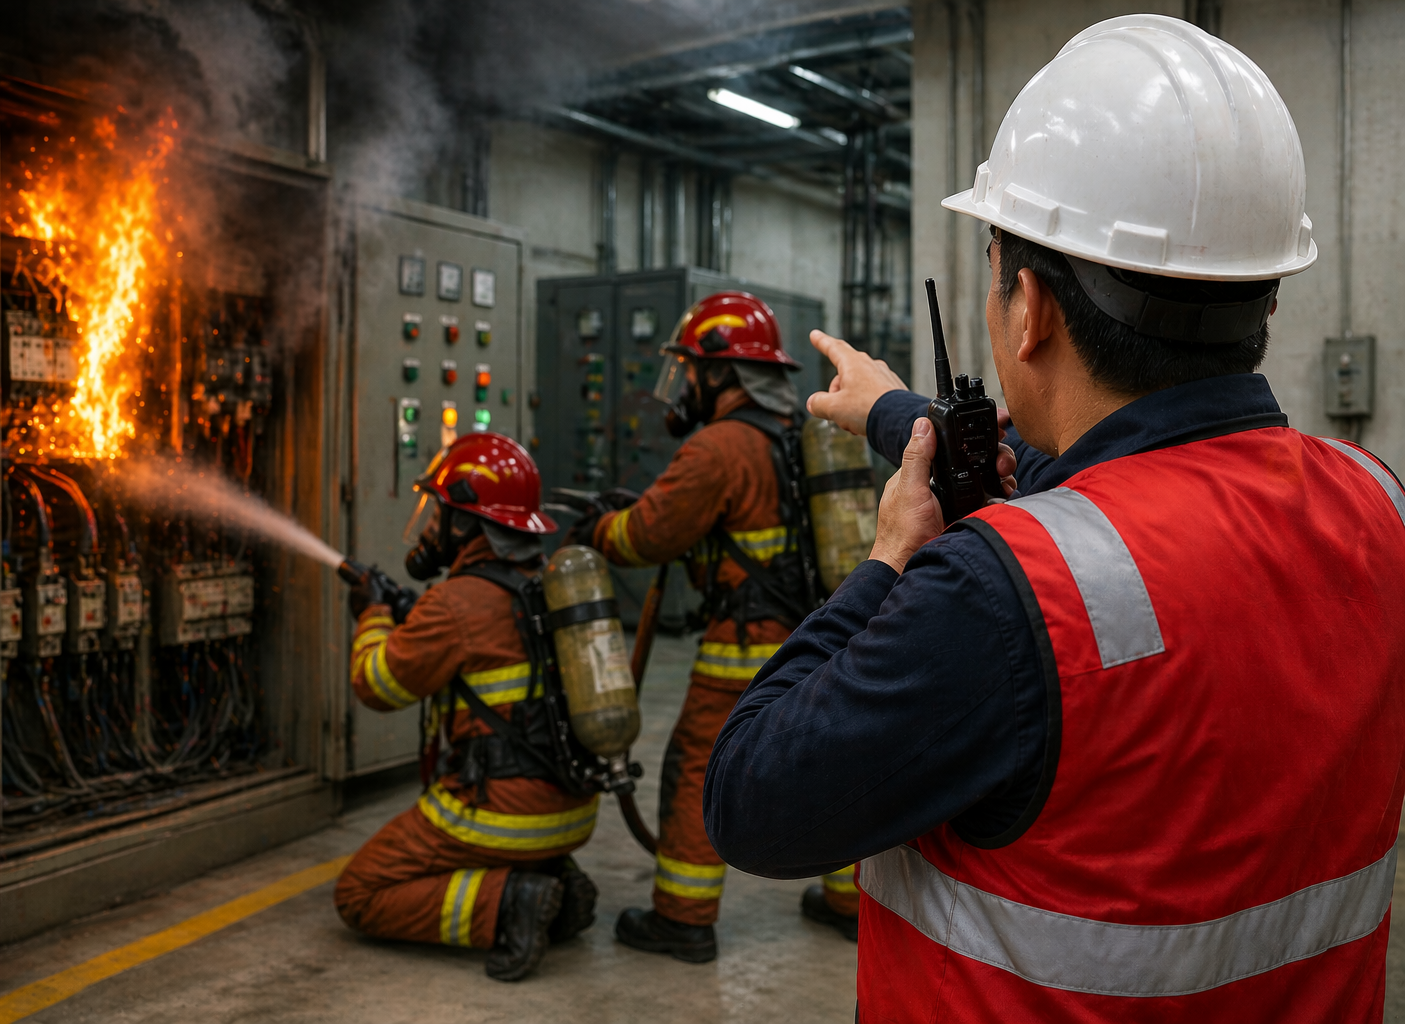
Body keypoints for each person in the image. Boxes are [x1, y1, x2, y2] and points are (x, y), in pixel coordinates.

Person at [704, 15, 1405, 1023]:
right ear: (1262, 300)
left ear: (1027, 308)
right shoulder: (1373, 500)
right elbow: (1092, 469)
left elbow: (750, 800)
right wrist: (900, 414)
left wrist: (893, 556)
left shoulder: (997, 593)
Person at [569, 291, 856, 959]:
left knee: (698, 767)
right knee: (823, 766)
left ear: (723, 374)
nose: (685, 384)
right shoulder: (796, 437)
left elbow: (647, 535)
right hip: (817, 639)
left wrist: (597, 530)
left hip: (743, 651)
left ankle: (682, 918)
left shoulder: (718, 447)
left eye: (692, 369)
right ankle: (850, 901)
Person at [334, 432, 601, 982]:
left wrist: (374, 615)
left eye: (440, 513)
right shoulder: (546, 580)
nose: (431, 527)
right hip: (572, 812)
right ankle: (551, 879)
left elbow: (376, 686)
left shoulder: (454, 603)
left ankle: (511, 904)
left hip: (504, 814)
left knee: (360, 891)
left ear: (469, 525)